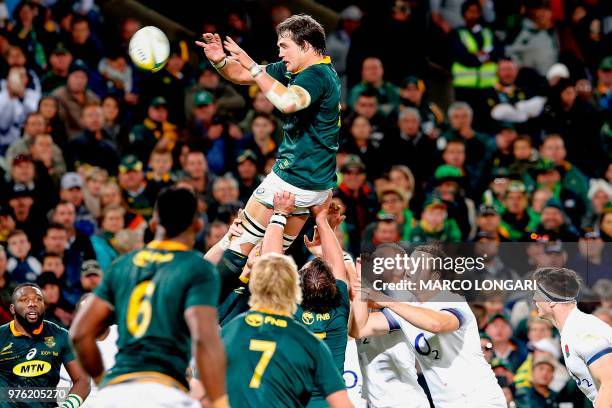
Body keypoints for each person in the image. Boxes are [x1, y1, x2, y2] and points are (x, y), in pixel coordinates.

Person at [197, 14, 342, 276]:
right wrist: (219, 59)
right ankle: (242, 312)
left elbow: (288, 102)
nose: (280, 52)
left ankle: (195, 302)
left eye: (284, 46)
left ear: (306, 45)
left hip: (291, 180)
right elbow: (242, 74)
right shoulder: (300, 70)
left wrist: (251, 65)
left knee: (234, 245)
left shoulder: (316, 75)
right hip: (315, 186)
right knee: (263, 261)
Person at [70, 187, 228, 407]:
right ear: (198, 225)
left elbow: (79, 333)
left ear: (153, 224)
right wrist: (220, 402)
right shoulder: (197, 268)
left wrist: (102, 381)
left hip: (115, 394)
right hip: (164, 392)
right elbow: (205, 339)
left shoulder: (121, 266)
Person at [351, 244, 506, 407]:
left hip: (481, 400)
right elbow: (361, 328)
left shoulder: (452, 300)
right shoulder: (408, 308)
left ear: (434, 276)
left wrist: (388, 301)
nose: (410, 268)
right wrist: (362, 281)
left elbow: (436, 324)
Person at [220, 252, 352, 407]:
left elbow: (201, 385)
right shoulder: (306, 340)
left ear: (254, 285)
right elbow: (342, 403)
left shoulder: (234, 329)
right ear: (294, 291)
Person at [0, 283, 90, 408]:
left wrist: (68, 406)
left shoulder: (60, 335)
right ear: (12, 308)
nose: (32, 304)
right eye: (24, 300)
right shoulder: (1, 336)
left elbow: (82, 380)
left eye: (38, 299)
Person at [533, 267, 612, 406]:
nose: (534, 298)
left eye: (538, 293)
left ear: (551, 300)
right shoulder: (572, 329)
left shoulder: (582, 331)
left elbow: (610, 382)